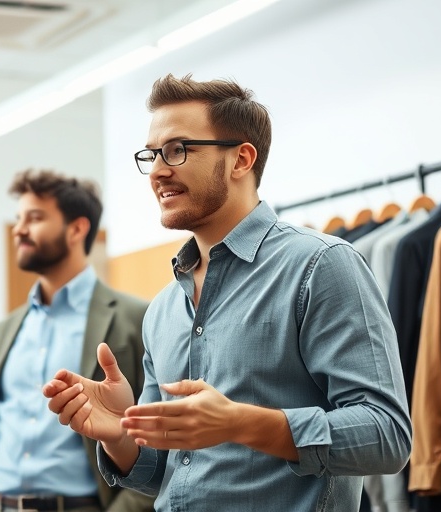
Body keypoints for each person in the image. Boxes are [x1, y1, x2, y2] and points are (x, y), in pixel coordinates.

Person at [42, 74, 412, 510]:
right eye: (151, 155)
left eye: (177, 150)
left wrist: (240, 423)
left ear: (241, 159)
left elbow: (386, 435)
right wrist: (122, 434)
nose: (158, 170)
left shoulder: (321, 266)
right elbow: (167, 475)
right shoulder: (163, 308)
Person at [0, 170, 155, 512]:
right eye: (18, 219)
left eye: (35, 217)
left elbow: (159, 441)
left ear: (76, 229)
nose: (19, 229)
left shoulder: (137, 319)